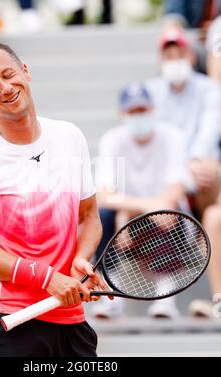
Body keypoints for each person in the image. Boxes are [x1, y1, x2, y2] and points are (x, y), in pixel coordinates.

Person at [0, 43, 108, 357]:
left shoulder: (70, 137)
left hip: (71, 316)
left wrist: (80, 261)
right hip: (11, 317)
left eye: (8, 75)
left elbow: (88, 217)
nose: (5, 88)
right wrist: (47, 278)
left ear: (25, 71)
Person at [92, 82, 187, 320]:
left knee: (167, 214)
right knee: (102, 217)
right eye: (133, 111)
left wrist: (131, 211)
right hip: (133, 214)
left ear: (153, 109)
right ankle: (109, 293)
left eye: (142, 110)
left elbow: (175, 190)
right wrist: (136, 212)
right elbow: (104, 195)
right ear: (122, 114)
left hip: (165, 218)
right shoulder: (112, 140)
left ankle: (166, 294)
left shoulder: (173, 137)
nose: (138, 116)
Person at [146, 28, 221, 221]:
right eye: (169, 55)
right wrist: (184, 165)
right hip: (166, 165)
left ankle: (208, 239)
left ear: (192, 56)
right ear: (161, 60)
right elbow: (152, 137)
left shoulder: (209, 89)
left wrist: (194, 161)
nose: (175, 60)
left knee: (209, 173)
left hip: (197, 164)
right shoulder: (150, 91)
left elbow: (209, 133)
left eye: (181, 54)